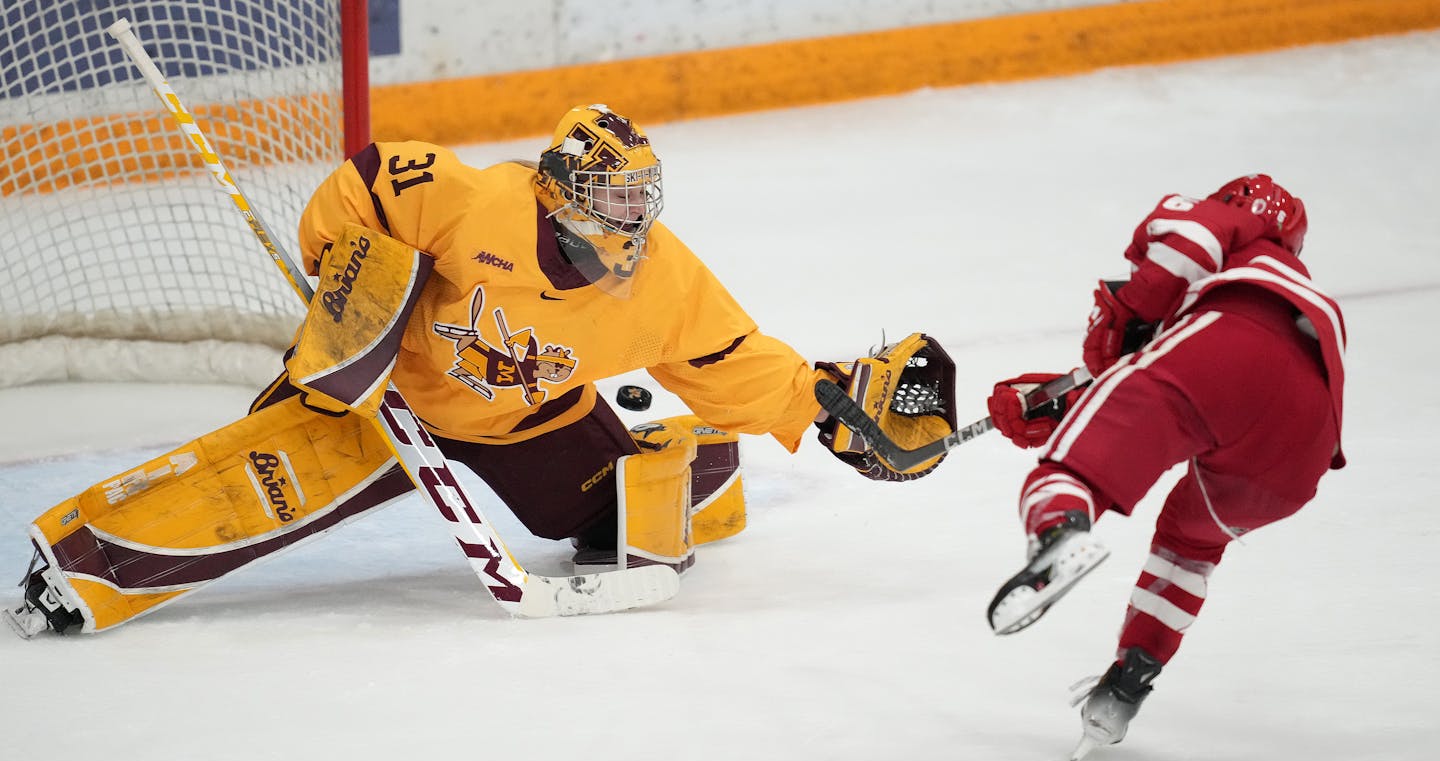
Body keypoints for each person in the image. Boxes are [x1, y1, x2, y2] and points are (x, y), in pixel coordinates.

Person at [6, 104, 956, 636]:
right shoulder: (465, 201)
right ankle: (87, 566)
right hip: (384, 394)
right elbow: (358, 189)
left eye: (640, 200)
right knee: (265, 484)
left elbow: (732, 360)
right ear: (559, 192)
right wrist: (350, 281)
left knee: (624, 521)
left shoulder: (662, 281)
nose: (630, 220)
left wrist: (826, 407)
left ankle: (702, 467)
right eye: (610, 198)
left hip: (523, 422)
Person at [982, 174, 1345, 761]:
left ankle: (1060, 535)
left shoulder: (1229, 227)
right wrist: (1074, 401)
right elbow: (1196, 387)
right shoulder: (1294, 291)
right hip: (1304, 441)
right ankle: (1126, 684)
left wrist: (1127, 320)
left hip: (1223, 348)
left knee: (1073, 474)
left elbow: (1193, 299)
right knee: (1187, 546)